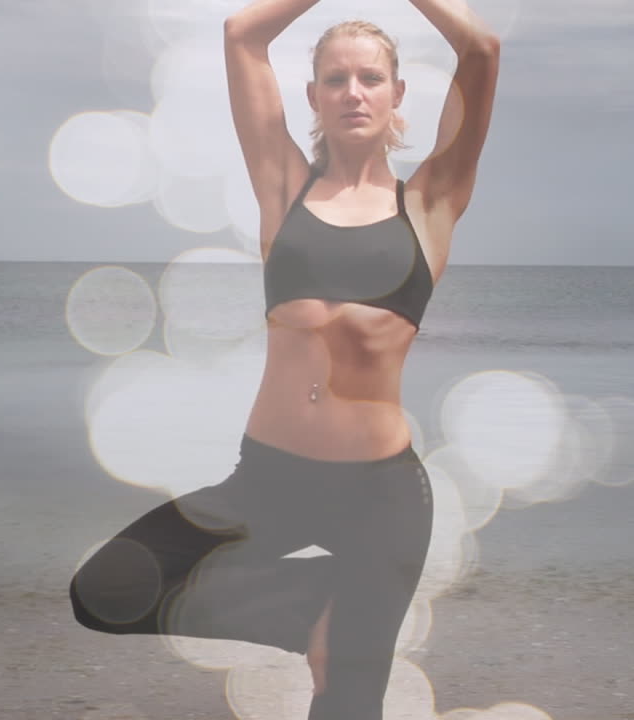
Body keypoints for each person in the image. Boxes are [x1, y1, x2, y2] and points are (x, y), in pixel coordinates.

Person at [70, 1, 499, 717]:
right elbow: (243, 34)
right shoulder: (283, 188)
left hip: (380, 500)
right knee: (108, 590)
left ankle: (352, 618)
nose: (353, 92)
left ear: (398, 94)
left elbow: (480, 49)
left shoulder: (430, 204)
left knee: (347, 706)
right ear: (313, 97)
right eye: (335, 79)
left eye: (370, 78)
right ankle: (318, 613)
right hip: (268, 480)